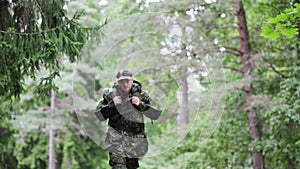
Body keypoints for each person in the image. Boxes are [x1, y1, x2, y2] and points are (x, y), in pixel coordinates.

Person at [94, 69, 161, 169]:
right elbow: (99, 115)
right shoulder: (111, 95)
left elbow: (155, 114)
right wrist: (112, 105)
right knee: (118, 167)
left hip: (134, 143)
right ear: (118, 82)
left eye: (127, 81)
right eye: (122, 81)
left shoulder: (141, 95)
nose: (125, 84)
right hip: (116, 142)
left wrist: (140, 105)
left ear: (132, 81)